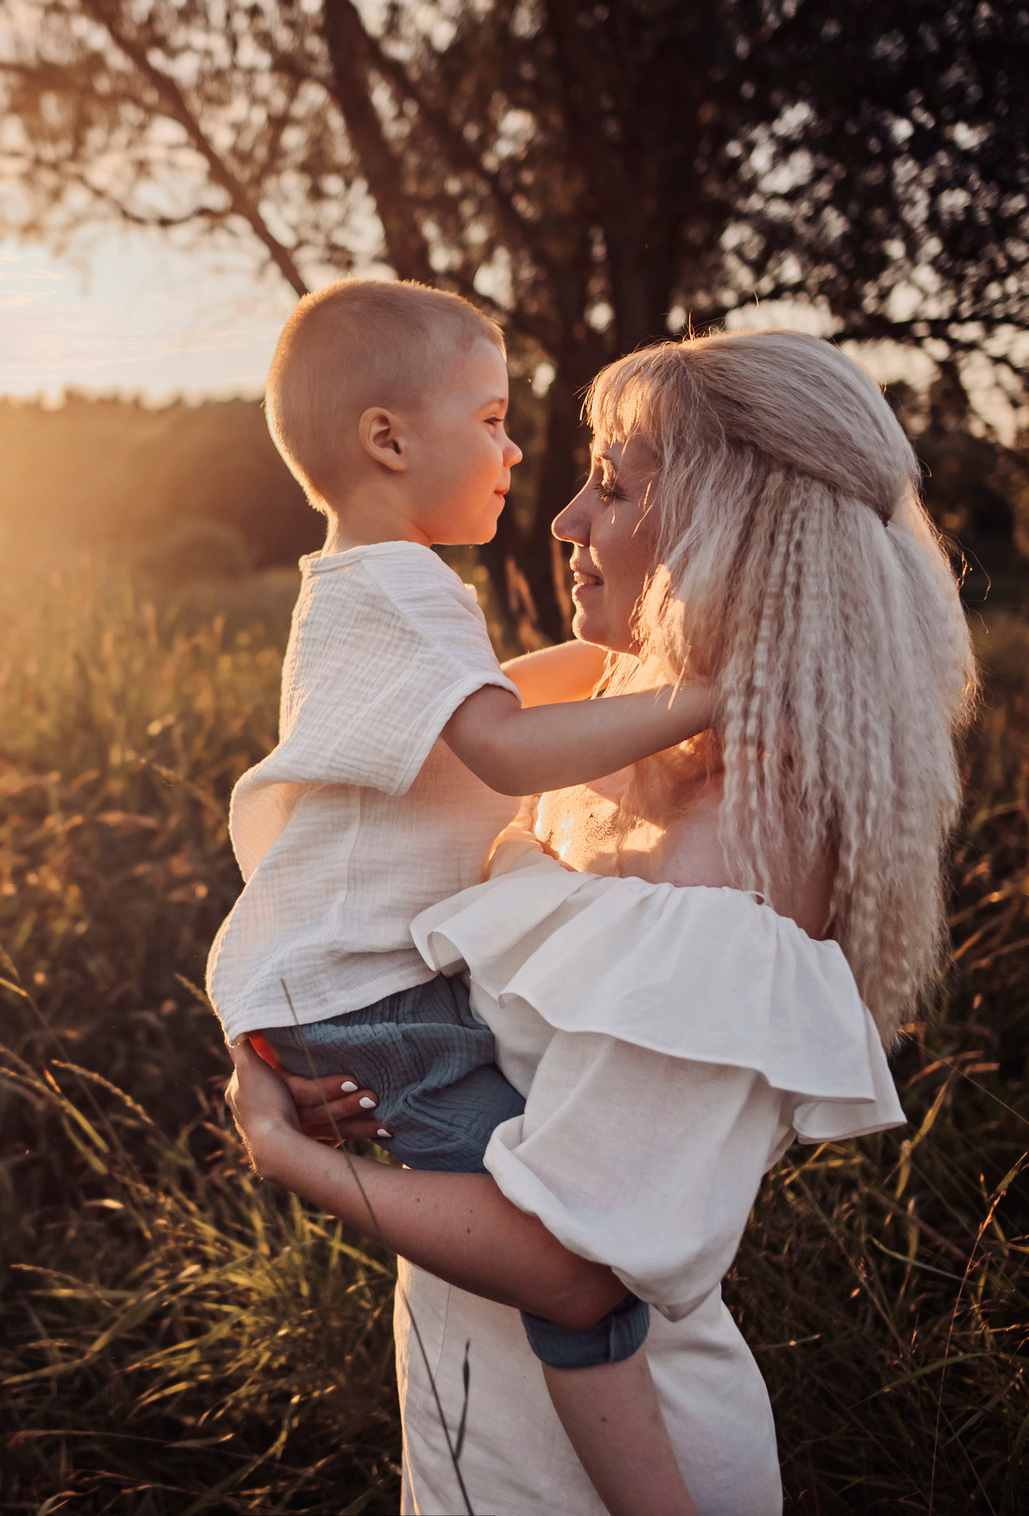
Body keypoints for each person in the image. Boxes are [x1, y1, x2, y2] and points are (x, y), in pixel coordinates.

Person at [226, 327, 979, 1513]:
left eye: (614, 487)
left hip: (622, 1472)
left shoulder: (744, 852)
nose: (565, 517)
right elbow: (349, 806)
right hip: (483, 1424)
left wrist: (289, 1155)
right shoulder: (619, 733)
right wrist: (320, 1053)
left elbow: (569, 1268)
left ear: (735, 530)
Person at [208, 278, 717, 1513]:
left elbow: (489, 698)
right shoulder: (396, 585)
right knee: (571, 1263)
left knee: (556, 1214)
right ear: (388, 439)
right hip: (367, 998)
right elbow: (501, 745)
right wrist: (705, 698)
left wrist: (630, 661)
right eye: (490, 419)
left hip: (341, 984)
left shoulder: (365, 584)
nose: (512, 452)